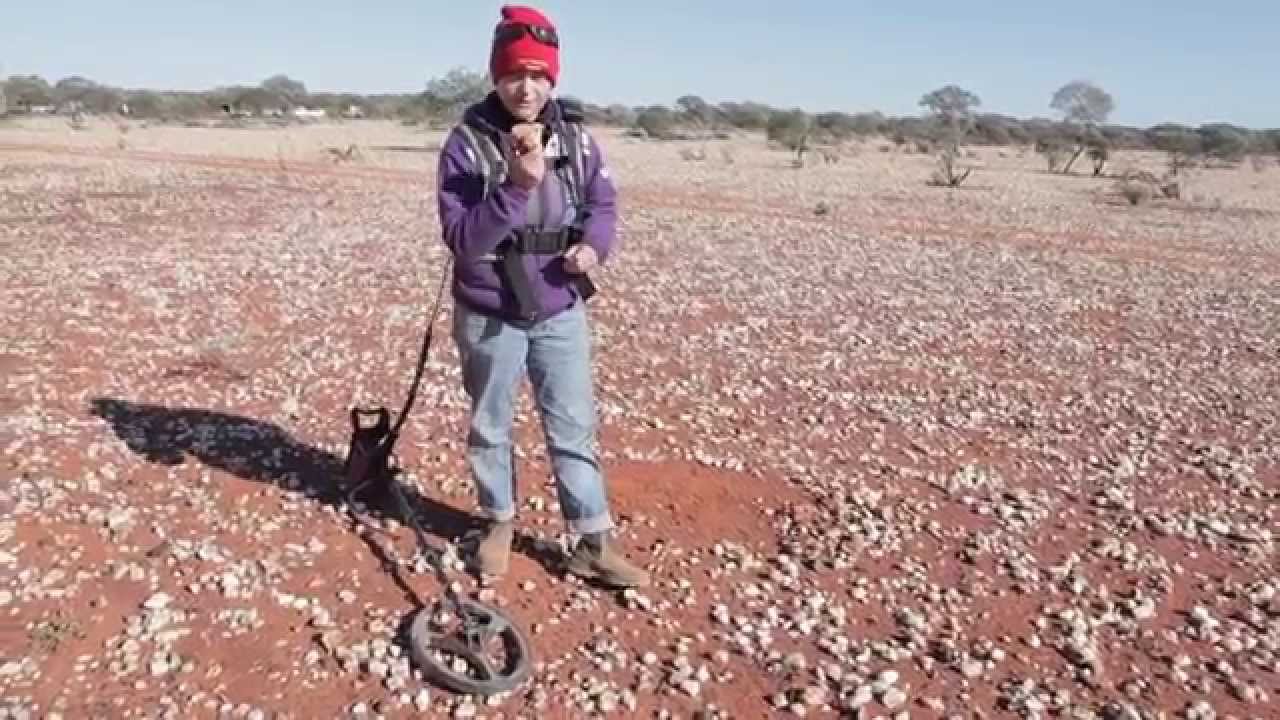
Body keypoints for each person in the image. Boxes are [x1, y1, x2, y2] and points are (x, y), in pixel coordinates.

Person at [435, 4, 649, 588]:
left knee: (573, 423)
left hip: (559, 307)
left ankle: (592, 539)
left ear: (552, 78)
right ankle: (498, 520)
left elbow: (603, 207)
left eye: (537, 75)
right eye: (512, 75)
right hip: (490, 311)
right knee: (490, 424)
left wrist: (593, 249)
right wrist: (517, 185)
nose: (524, 87)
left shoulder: (577, 139)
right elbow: (462, 239)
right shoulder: (466, 145)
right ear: (495, 77)